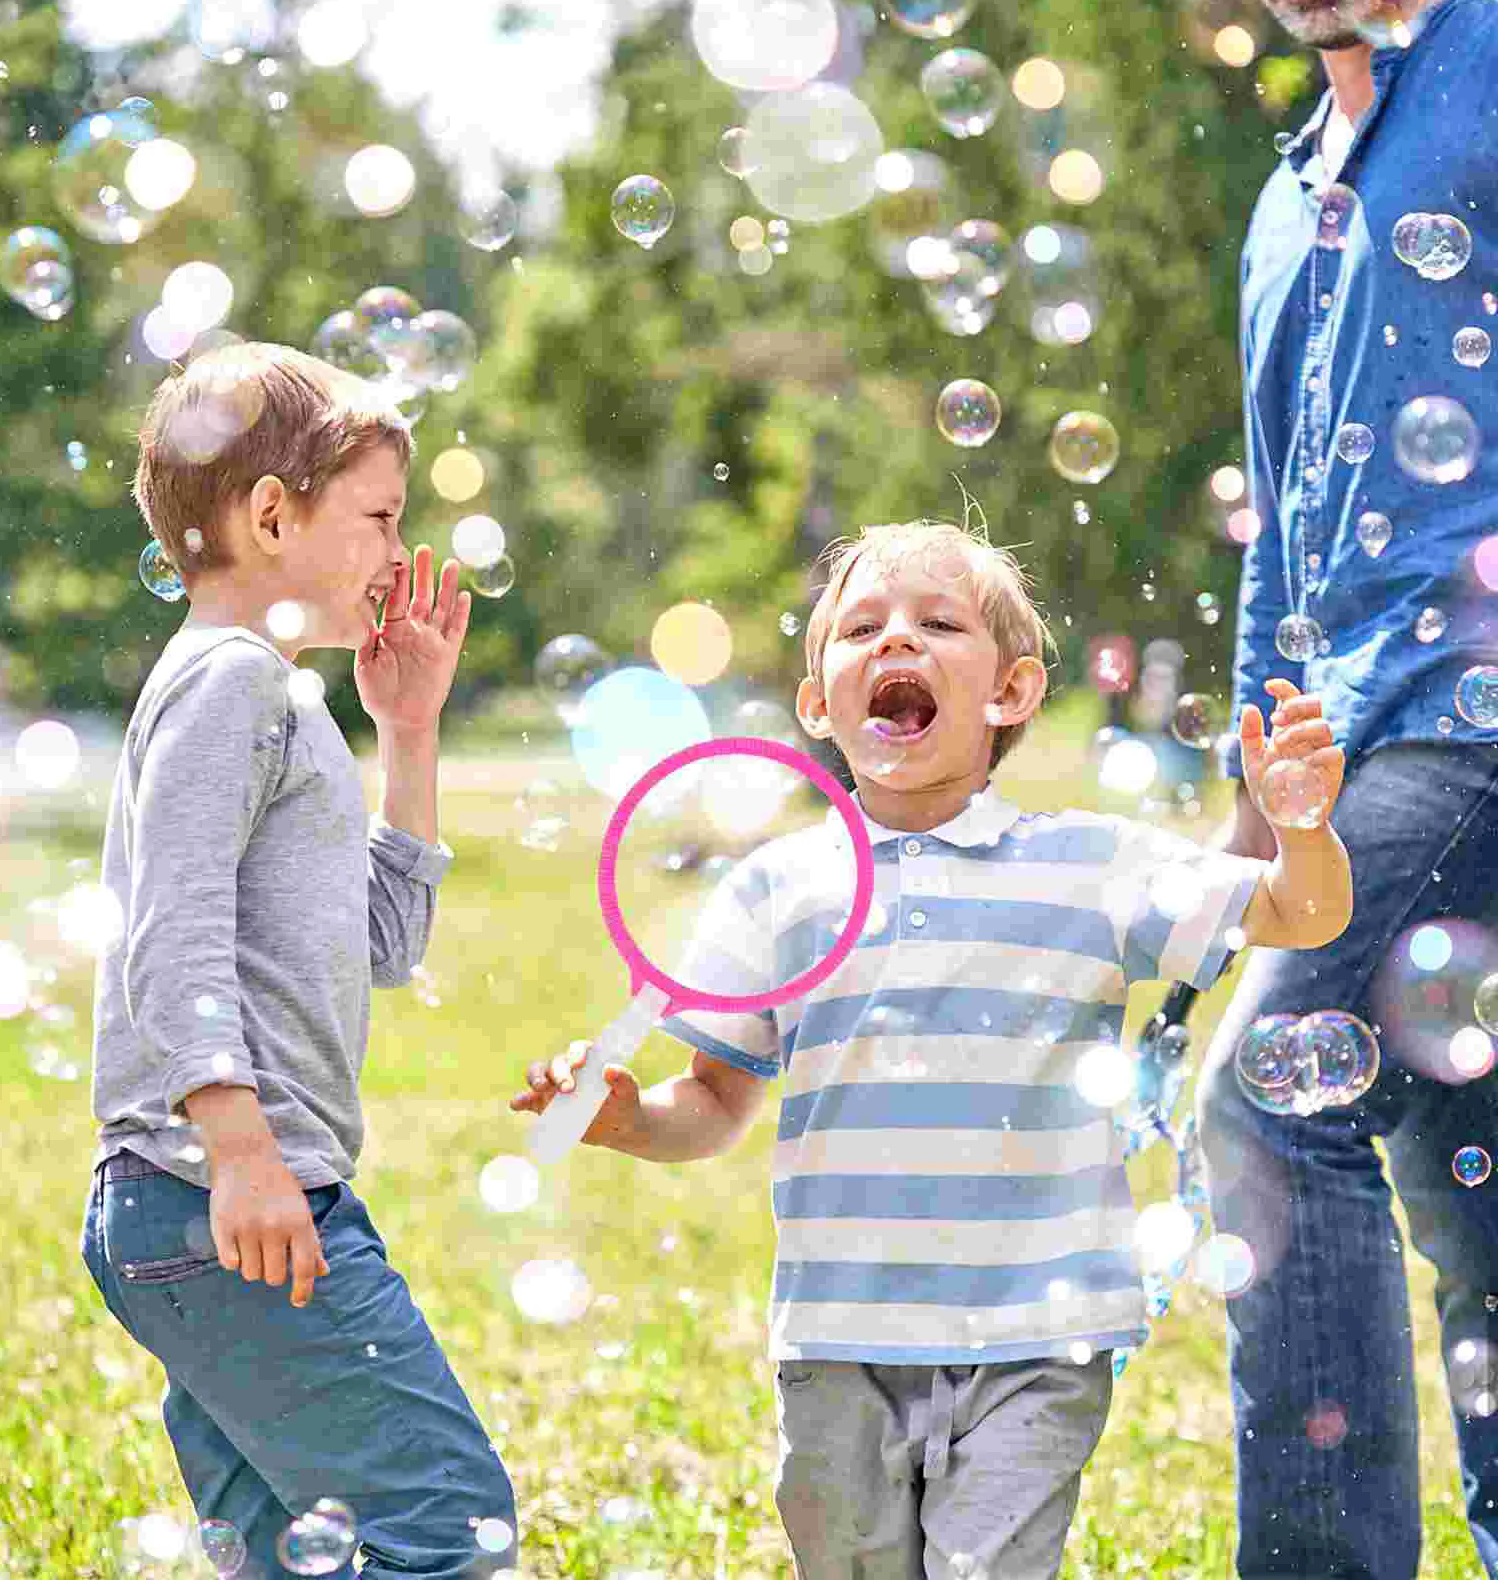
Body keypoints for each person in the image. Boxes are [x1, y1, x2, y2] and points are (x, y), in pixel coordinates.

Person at [514, 519, 1353, 1580]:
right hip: (837, 1333)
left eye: (937, 623)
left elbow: (1298, 914)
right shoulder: (776, 888)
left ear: (1009, 690)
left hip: (1036, 1335)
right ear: (819, 701)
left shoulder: (1091, 865)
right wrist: (628, 1117)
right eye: (862, 626)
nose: (896, 641)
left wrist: (1302, 829)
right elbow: (713, 1098)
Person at [78, 345, 515, 1579]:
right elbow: (168, 932)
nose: (394, 552)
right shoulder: (227, 684)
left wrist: (410, 730)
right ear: (271, 515)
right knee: (449, 1519)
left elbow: (387, 943)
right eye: (378, 518)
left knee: (286, 1561)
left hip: (216, 1200)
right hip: (222, 1194)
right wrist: (240, 1147)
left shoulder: (283, 696)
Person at [1199, 0, 1498, 1574]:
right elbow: (1289, 527)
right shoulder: (1283, 187)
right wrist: (1257, 809)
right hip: (1355, 744)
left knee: (1269, 1108)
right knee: (1480, 1206)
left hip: (1478, 713)